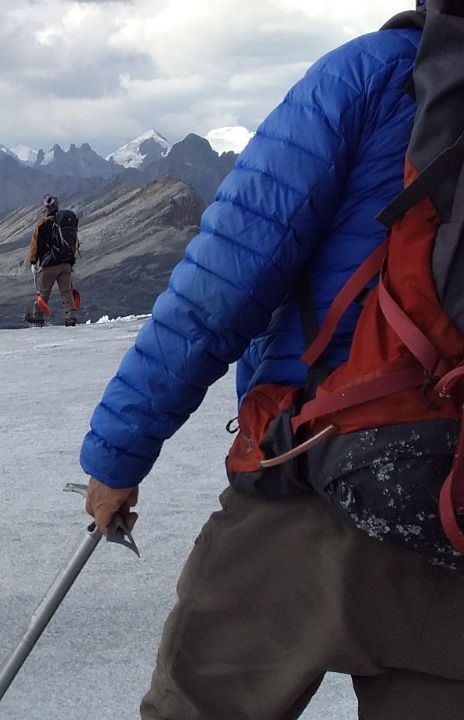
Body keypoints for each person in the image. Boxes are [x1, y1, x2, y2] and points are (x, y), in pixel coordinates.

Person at [80, 4, 464, 718]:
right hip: (456, 513)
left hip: (319, 479)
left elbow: (223, 282)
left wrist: (118, 455)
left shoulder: (371, 77)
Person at [25, 193, 78, 327]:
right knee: (66, 291)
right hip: (66, 263)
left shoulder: (41, 224)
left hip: (48, 265)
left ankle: (38, 316)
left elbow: (34, 245)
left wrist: (33, 262)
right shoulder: (65, 222)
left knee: (43, 292)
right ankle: (71, 316)